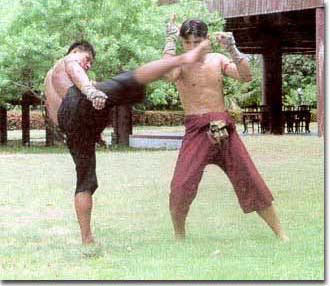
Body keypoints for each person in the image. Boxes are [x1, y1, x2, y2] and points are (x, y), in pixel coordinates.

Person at [44, 39, 211, 245]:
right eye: (88, 60)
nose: (87, 65)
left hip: (70, 127)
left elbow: (58, 116)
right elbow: (73, 67)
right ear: (77, 51)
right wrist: (90, 90)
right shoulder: (69, 59)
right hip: (78, 101)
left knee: (84, 180)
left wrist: (90, 130)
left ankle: (87, 240)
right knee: (134, 79)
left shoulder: (49, 79)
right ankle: (184, 58)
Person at [162, 16, 288, 241]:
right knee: (181, 185)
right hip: (195, 129)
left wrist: (232, 48)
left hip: (223, 126)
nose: (193, 47)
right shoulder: (179, 63)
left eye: (197, 42)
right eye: (188, 42)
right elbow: (169, 76)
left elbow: (246, 77)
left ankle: (281, 235)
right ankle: (179, 236)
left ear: (206, 40)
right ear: (182, 42)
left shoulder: (217, 59)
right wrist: (169, 41)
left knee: (250, 179)